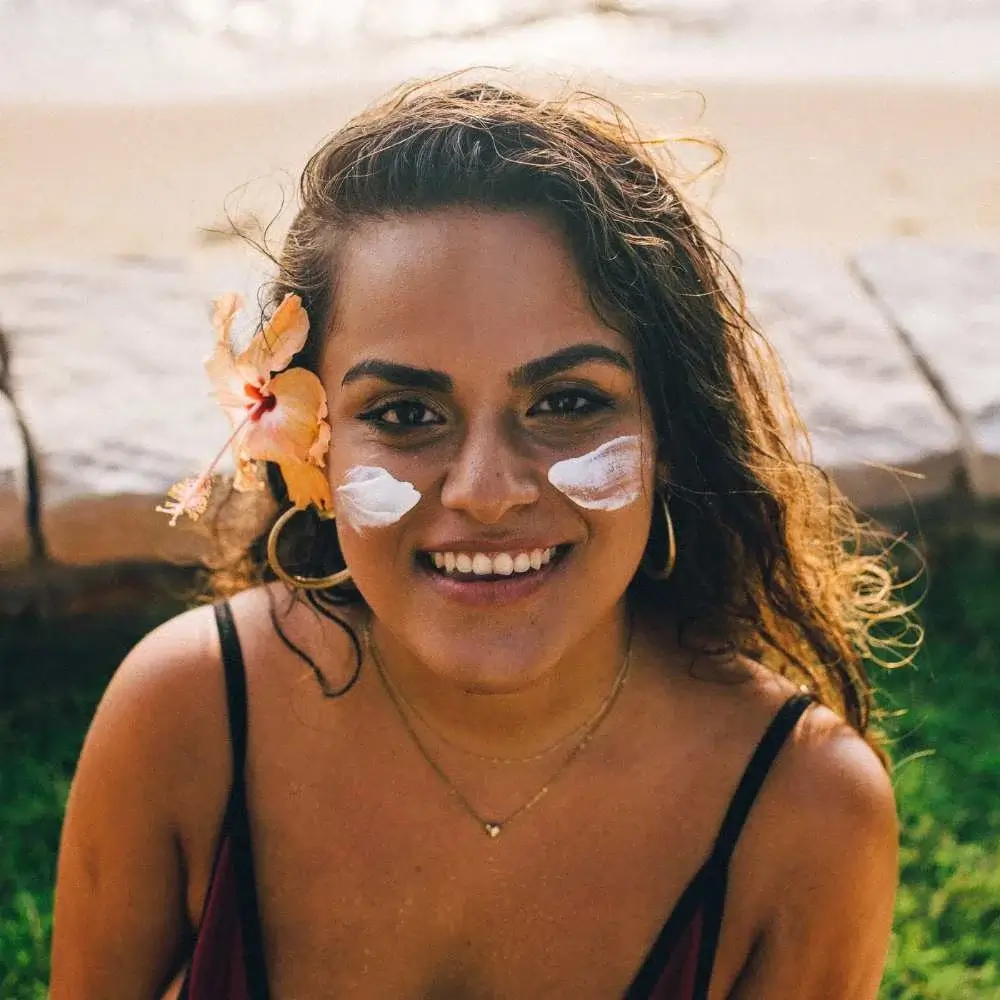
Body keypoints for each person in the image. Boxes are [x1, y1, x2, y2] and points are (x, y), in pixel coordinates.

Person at [50, 78, 909, 999]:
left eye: (569, 402)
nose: (488, 493)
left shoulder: (804, 813)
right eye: (408, 411)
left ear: (672, 435)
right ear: (310, 446)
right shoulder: (187, 718)